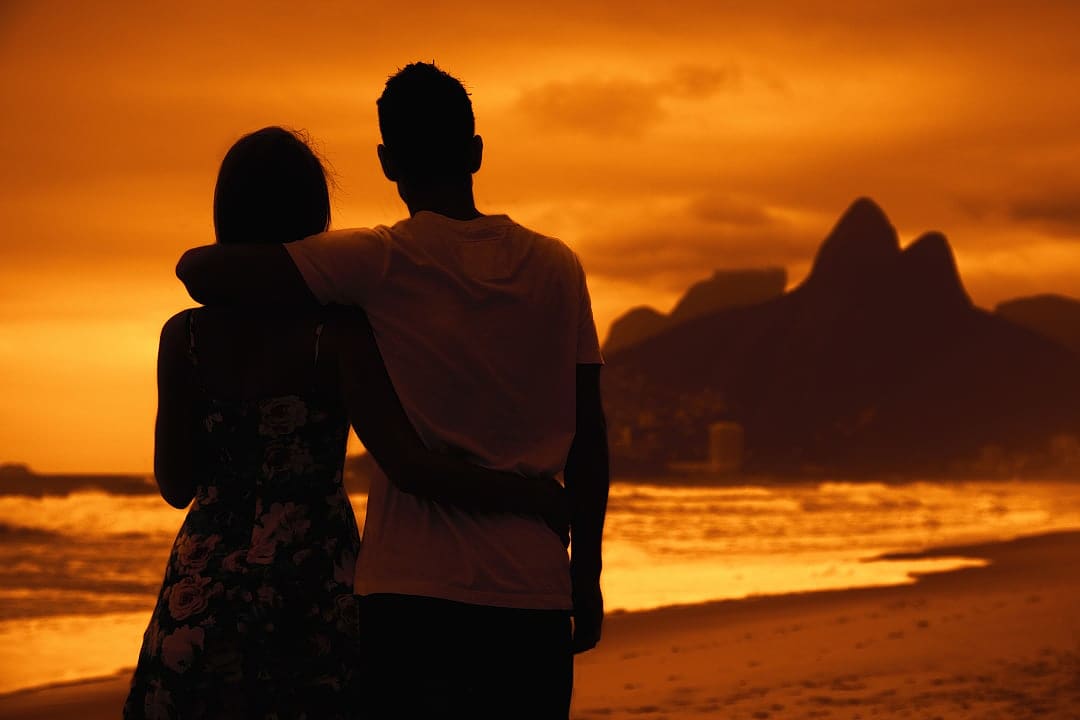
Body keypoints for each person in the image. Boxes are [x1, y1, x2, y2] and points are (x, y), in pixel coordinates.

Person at [177, 63, 610, 719]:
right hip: (533, 589)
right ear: (476, 152)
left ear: (386, 163)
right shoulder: (558, 267)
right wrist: (587, 576)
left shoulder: (377, 262)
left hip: (412, 594)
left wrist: (304, 258)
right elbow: (591, 439)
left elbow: (199, 270)